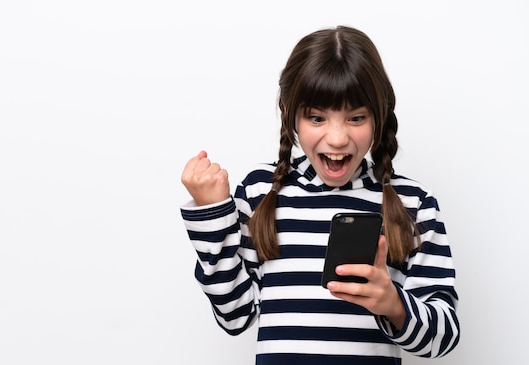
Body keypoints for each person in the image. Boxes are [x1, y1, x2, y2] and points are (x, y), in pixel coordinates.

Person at [179, 25, 459, 364]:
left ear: (379, 114)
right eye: (316, 117)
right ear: (289, 111)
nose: (338, 138)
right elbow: (235, 316)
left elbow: (443, 336)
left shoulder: (413, 204)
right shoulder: (260, 191)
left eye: (356, 117)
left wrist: (394, 305)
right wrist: (213, 213)